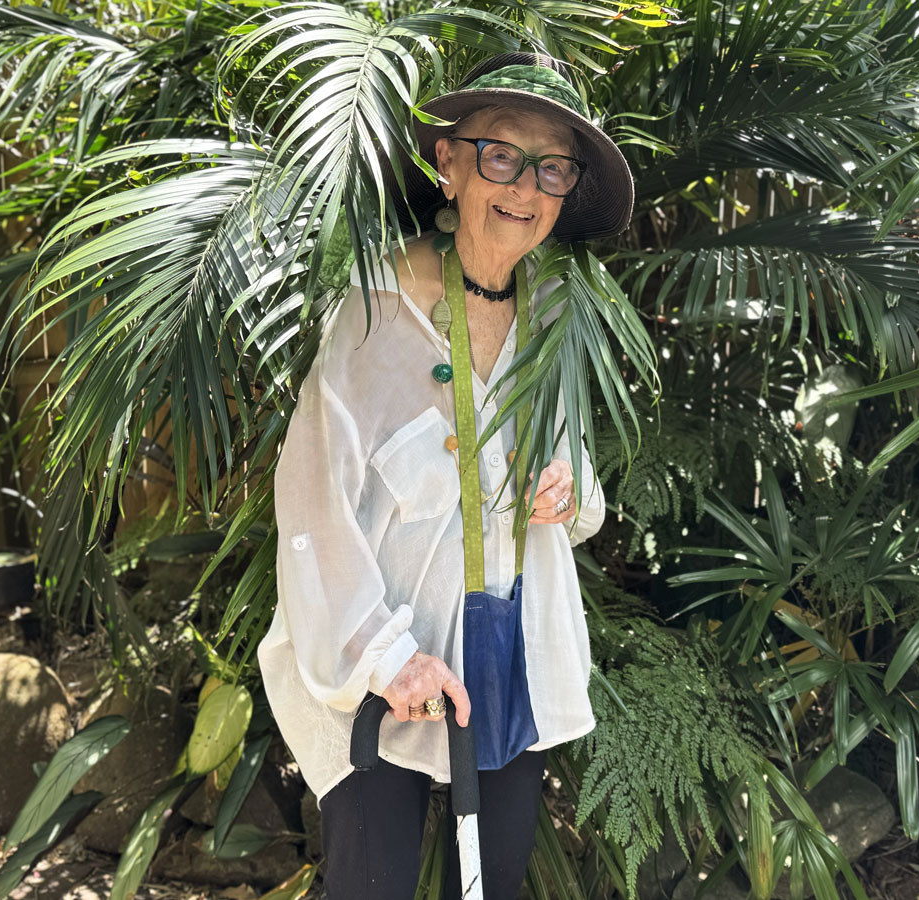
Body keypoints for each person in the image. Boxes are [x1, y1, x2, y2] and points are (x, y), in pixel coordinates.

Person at [256, 52, 634, 899]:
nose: (525, 187)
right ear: (449, 163)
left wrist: (568, 490)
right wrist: (388, 658)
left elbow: (582, 493)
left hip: (512, 647)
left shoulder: (556, 312)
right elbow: (311, 502)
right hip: (383, 661)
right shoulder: (372, 310)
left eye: (552, 169)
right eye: (502, 156)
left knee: (493, 884)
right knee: (371, 886)